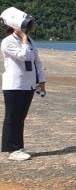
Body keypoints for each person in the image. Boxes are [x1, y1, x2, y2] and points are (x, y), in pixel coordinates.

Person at [2, 15, 45, 160]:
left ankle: (18, 147)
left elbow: (36, 61)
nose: (28, 29)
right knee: (12, 116)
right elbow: (24, 56)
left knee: (21, 116)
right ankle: (11, 149)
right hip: (14, 84)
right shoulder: (7, 42)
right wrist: (24, 39)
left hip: (29, 84)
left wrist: (42, 81)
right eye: (26, 26)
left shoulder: (30, 41)